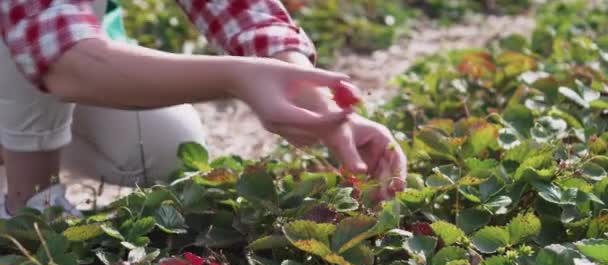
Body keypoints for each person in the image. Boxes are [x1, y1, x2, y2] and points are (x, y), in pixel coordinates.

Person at [0, 0, 407, 217]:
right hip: (43, 42)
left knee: (163, 149)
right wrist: (235, 77)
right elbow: (64, 60)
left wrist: (323, 108)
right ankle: (31, 206)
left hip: (51, 45)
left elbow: (241, 10)